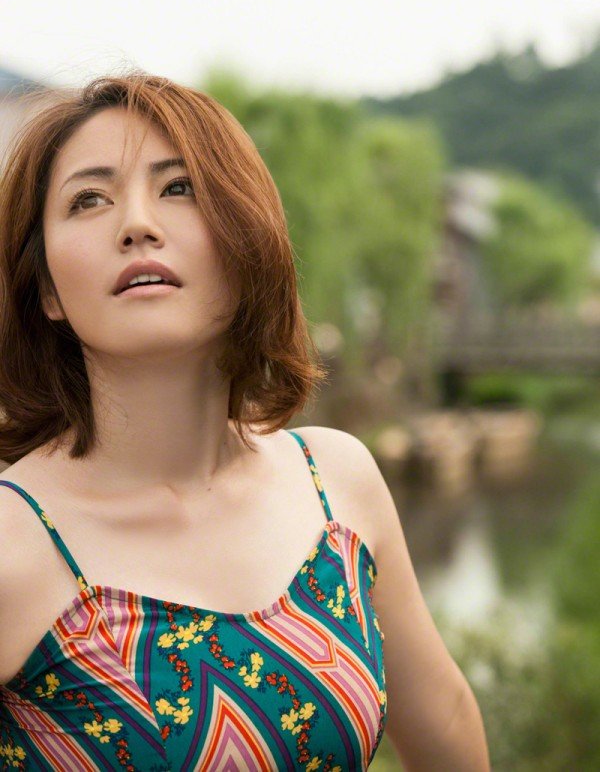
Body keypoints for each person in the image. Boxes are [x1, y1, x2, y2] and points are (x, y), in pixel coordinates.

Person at [0, 73, 489, 770]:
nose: (136, 224)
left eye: (179, 188)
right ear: (47, 287)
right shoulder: (14, 543)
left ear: (246, 242)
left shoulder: (335, 483)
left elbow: (447, 717)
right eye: (88, 199)